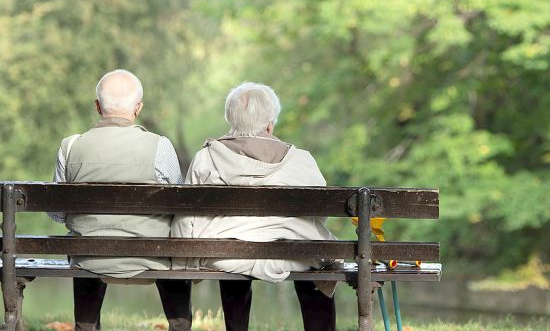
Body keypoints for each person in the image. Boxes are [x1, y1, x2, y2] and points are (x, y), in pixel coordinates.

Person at [172, 82, 337, 331]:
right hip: (291, 254)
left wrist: (184, 257)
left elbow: (188, 216)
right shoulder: (301, 160)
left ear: (231, 121)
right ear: (270, 125)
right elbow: (319, 214)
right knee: (315, 263)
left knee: (231, 248)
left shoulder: (206, 157)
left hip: (224, 254)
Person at [48, 69, 192, 331]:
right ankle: (180, 325)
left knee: (86, 244)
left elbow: (58, 213)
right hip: (152, 256)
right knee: (172, 243)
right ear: (138, 108)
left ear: (97, 107)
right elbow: (178, 208)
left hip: (89, 258)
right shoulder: (159, 146)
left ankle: (86, 326)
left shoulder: (70, 146)